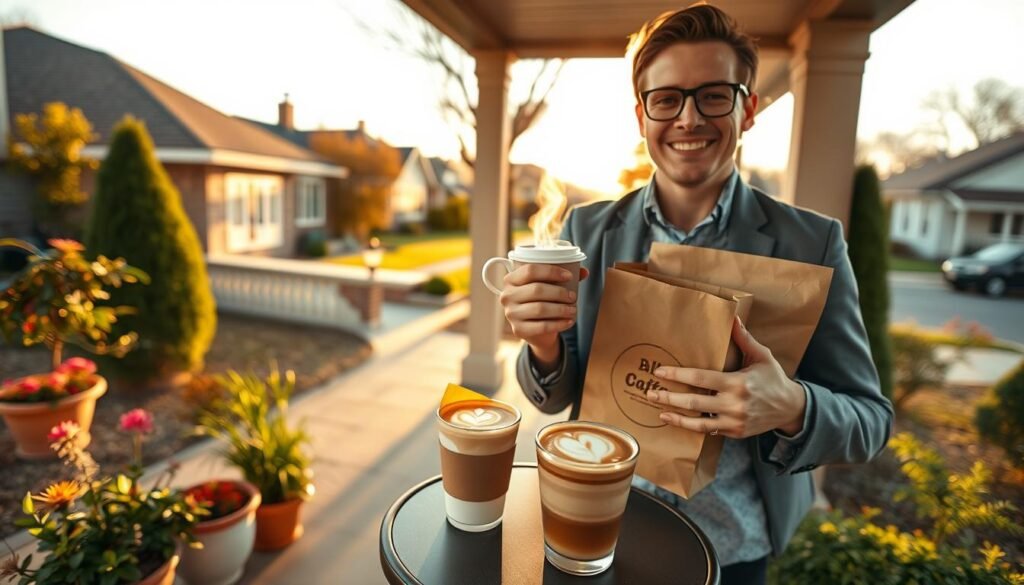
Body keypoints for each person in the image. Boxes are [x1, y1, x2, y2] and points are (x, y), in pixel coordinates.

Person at [506, 4, 894, 584]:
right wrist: (541, 347)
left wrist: (790, 406)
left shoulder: (812, 243)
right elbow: (556, 395)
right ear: (642, 116)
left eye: (714, 95)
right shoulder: (587, 231)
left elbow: (871, 420)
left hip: (732, 549)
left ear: (749, 108)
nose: (688, 118)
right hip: (596, 519)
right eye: (667, 99)